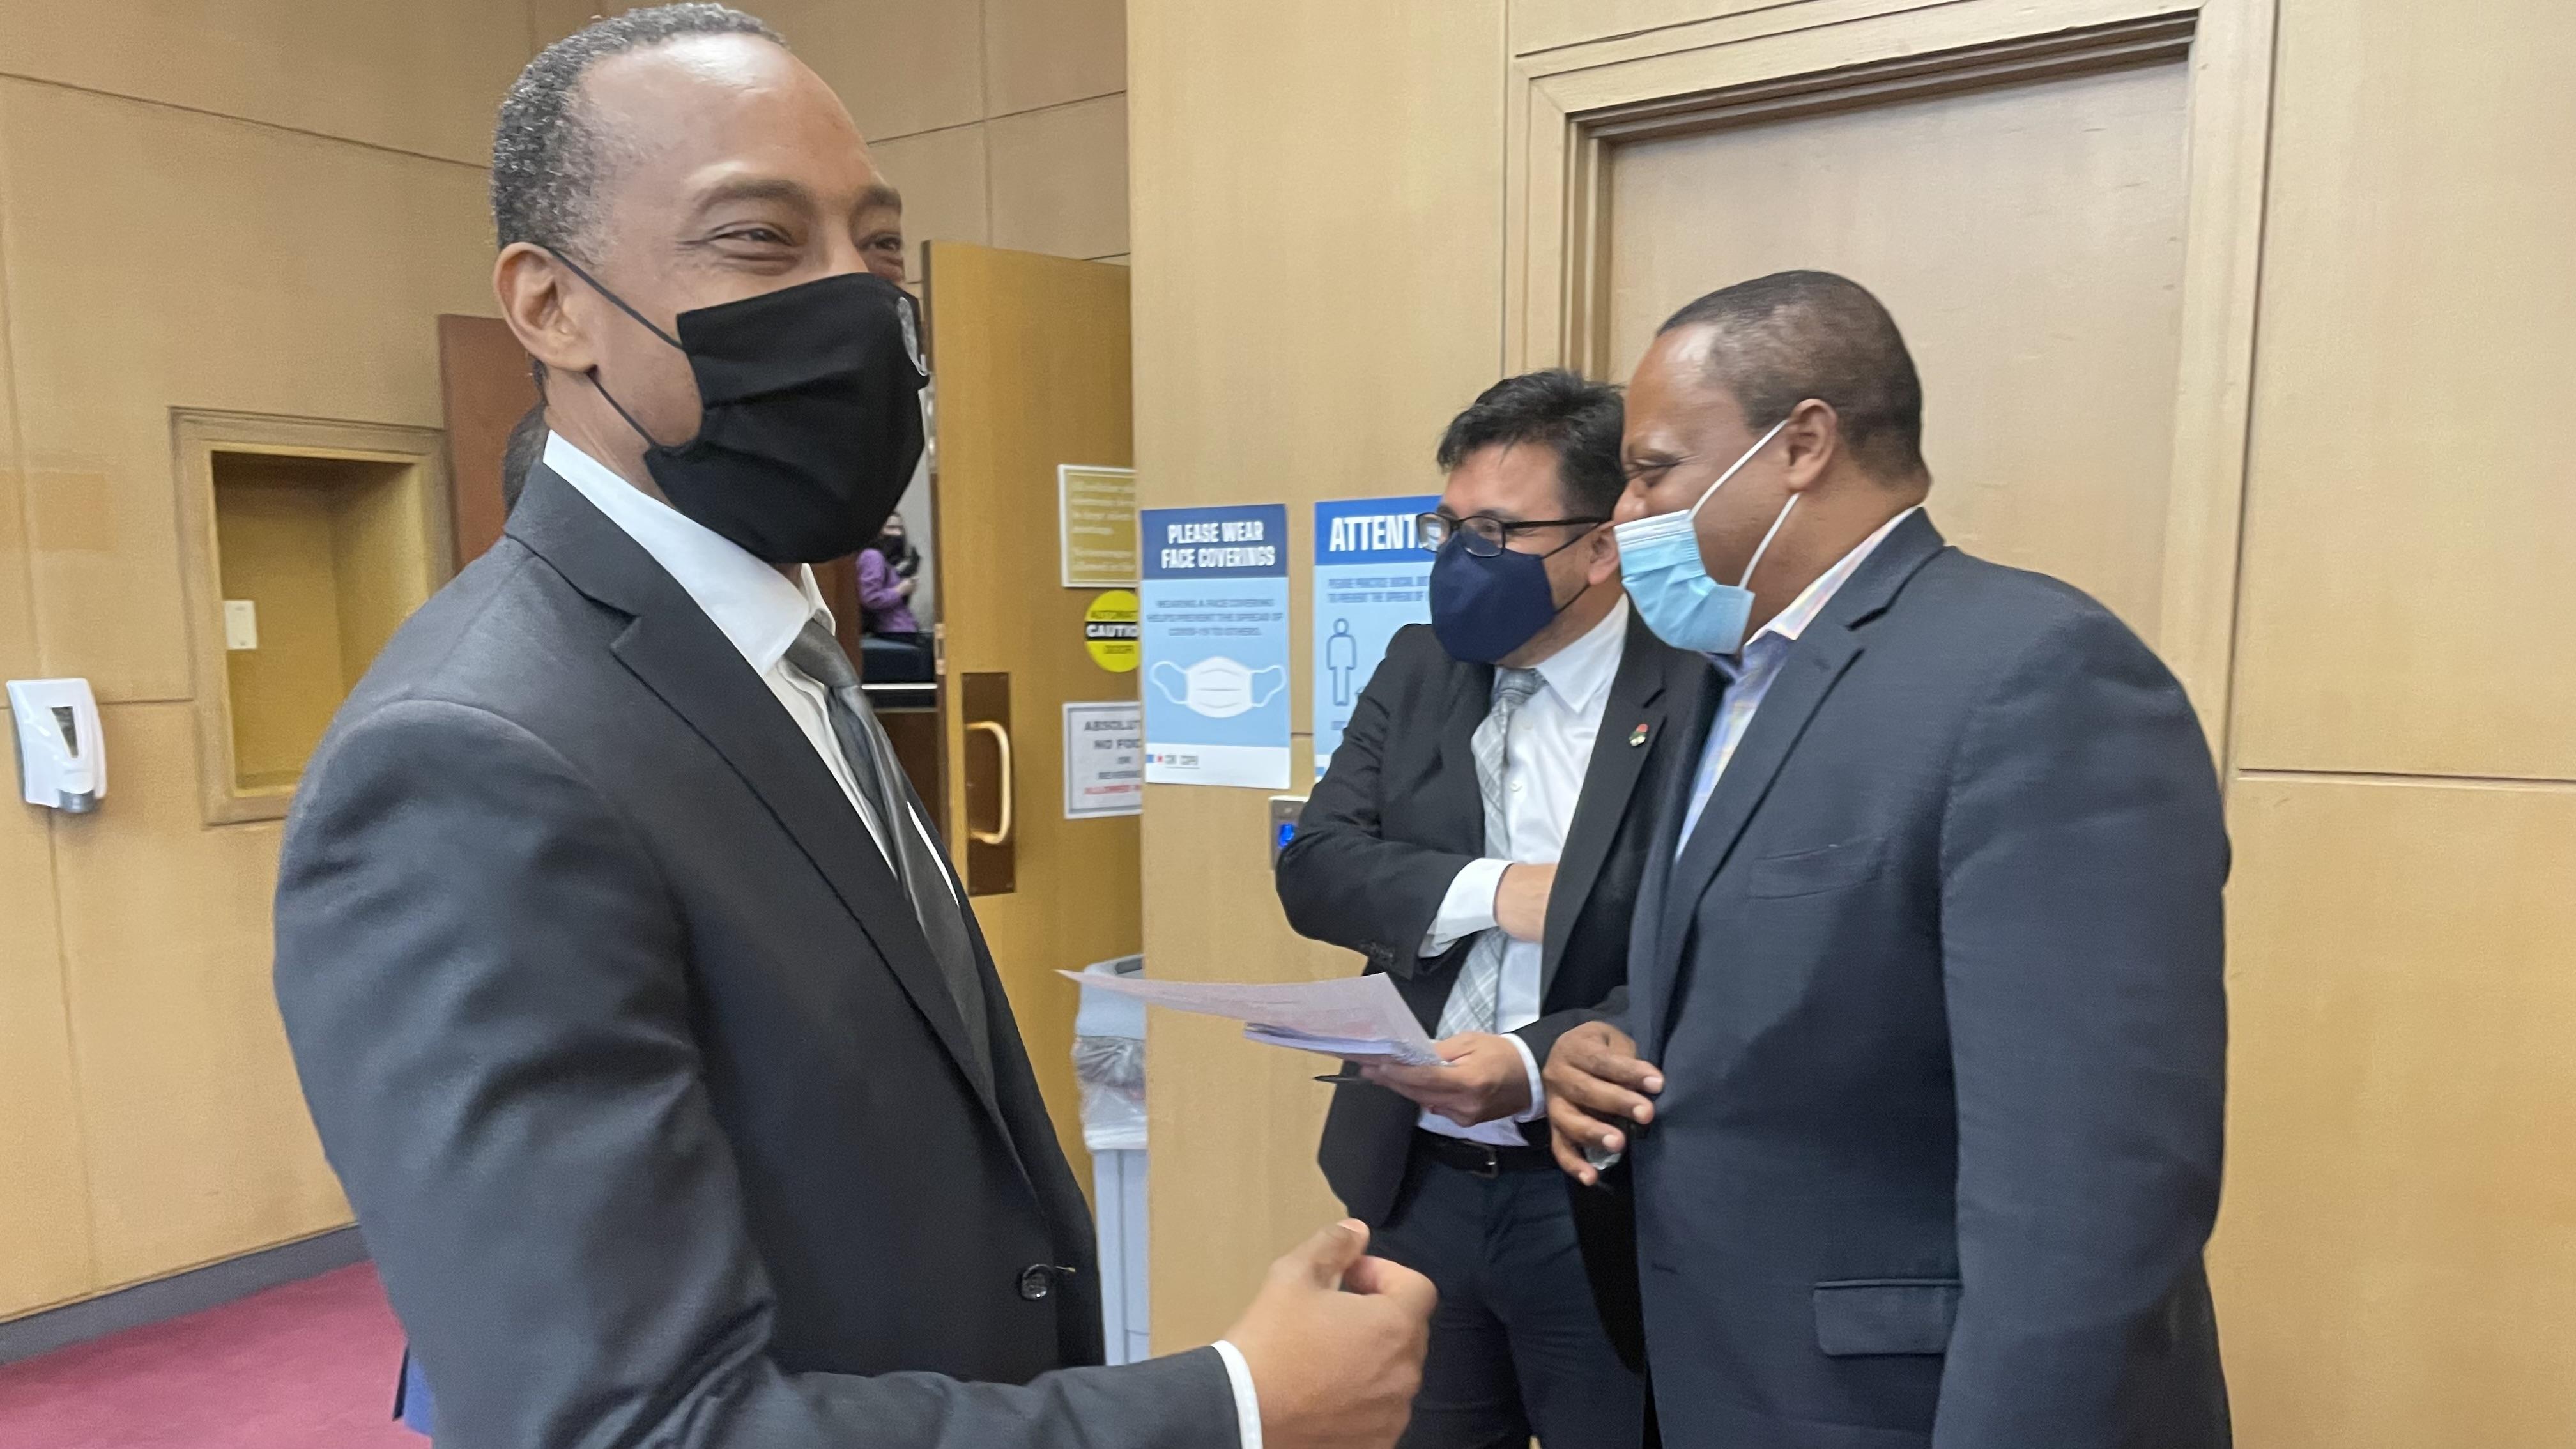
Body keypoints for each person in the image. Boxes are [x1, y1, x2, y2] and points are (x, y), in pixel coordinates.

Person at [271, 8, 1432, 1449]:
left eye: (879, 246)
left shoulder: (774, 653)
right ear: (549, 306)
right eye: (760, 240)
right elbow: (629, 1425)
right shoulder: (470, 761)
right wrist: (1236, 1408)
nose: (859, 300)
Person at [1544, 270, 2231, 1447]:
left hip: (1904, 1410)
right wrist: (1594, 1044)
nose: (1625, 510)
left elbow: (2093, 1200)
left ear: (1801, 442)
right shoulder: (1723, 682)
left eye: (1653, 468)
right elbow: (1809, 978)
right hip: (1719, 1382)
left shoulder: (2036, 677)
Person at [1276, 370, 1706, 1449]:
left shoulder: (1699, 686)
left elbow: (1710, 947)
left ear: (1603, 547)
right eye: (1449, 526)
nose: (1459, 559)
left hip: (1603, 1191)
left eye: (1498, 531)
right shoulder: (1421, 665)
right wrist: (1498, 893)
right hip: (1416, 1181)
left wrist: (1528, 1059)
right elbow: (1318, 866)